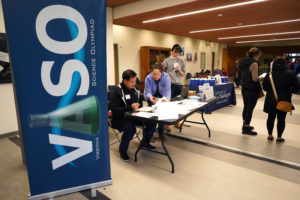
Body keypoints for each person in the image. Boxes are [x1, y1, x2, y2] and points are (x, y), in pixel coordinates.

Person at [109, 69, 156, 161]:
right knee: (130, 129)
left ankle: (145, 143)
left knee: (153, 121)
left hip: (134, 115)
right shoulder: (116, 91)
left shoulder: (135, 90)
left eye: (135, 81)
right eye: (132, 81)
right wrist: (130, 107)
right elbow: (115, 110)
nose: (134, 83)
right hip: (120, 118)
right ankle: (122, 150)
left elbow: (140, 103)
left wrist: (147, 104)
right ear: (125, 81)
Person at [262, 58, 300, 143]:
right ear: (285, 64)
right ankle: (279, 138)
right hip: (285, 99)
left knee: (270, 118)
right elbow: (296, 89)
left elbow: (264, 87)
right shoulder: (290, 74)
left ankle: (270, 136)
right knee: (281, 119)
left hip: (271, 99)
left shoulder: (269, 74)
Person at [238, 47, 263, 135]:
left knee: (246, 107)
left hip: (244, 88)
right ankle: (246, 128)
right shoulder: (254, 64)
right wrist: (261, 77)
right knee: (250, 109)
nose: (259, 57)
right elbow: (255, 79)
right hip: (252, 89)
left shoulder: (242, 62)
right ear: (256, 55)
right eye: (259, 55)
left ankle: (244, 124)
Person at [144, 64, 171, 139]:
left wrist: (167, 99)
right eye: (153, 74)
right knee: (152, 117)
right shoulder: (148, 78)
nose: (155, 76)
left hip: (162, 97)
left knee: (161, 115)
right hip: (152, 97)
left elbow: (168, 89)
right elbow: (148, 91)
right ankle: (150, 134)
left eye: (157, 74)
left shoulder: (166, 77)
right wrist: (150, 97)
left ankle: (161, 132)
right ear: (151, 72)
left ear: (161, 73)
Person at [162, 44, 185, 129]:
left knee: (177, 103)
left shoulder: (181, 61)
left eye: (178, 52)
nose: (176, 54)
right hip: (170, 84)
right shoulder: (167, 60)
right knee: (168, 104)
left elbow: (183, 75)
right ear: (172, 51)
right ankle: (167, 123)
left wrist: (179, 69)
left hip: (179, 84)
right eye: (175, 52)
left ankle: (176, 121)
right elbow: (161, 70)